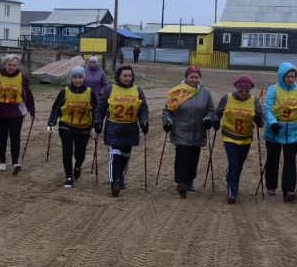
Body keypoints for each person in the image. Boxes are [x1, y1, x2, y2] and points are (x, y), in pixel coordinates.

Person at [93, 64, 149, 197]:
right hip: (113, 127)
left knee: (125, 156)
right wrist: (98, 122)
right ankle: (115, 181)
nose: (127, 78)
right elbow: (100, 108)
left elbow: (143, 109)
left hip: (130, 128)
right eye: (125, 75)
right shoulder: (110, 90)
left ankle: (121, 175)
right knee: (115, 155)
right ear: (119, 76)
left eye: (129, 75)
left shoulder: (138, 91)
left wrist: (144, 122)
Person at [161, 66, 216, 198]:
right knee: (181, 156)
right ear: (186, 77)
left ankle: (190, 179)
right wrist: (167, 121)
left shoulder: (205, 92)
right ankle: (182, 182)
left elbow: (211, 110)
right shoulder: (178, 91)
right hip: (181, 130)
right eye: (191, 77)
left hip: (198, 130)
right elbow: (167, 110)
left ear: (200, 78)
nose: (194, 80)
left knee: (193, 157)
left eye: (197, 77)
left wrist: (208, 119)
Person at [263, 62, 297, 201]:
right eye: (288, 76)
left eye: (293, 76)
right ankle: (271, 185)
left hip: (294, 130)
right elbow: (268, 108)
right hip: (275, 130)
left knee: (290, 160)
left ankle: (289, 190)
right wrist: (273, 123)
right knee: (273, 159)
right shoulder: (274, 89)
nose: (290, 79)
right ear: (281, 76)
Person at [214, 74, 264, 204]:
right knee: (233, 163)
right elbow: (217, 113)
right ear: (236, 88)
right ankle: (232, 189)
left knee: (239, 164)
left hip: (246, 139)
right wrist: (215, 121)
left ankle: (234, 183)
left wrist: (259, 119)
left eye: (246, 91)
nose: (243, 93)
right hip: (229, 137)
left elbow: (261, 122)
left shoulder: (254, 101)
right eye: (240, 90)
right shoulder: (227, 98)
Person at [0, 53, 36, 174]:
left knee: (15, 136)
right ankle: (2, 161)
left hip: (16, 112)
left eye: (14, 65)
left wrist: (32, 110)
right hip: (0, 111)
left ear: (17, 65)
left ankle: (15, 163)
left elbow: (28, 95)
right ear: (4, 64)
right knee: (2, 137)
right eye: (9, 65)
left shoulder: (22, 77)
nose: (11, 67)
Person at [48, 66, 98, 188]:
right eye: (74, 77)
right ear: (71, 79)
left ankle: (77, 166)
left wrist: (95, 126)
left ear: (83, 78)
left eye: (80, 77)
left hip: (83, 127)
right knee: (67, 151)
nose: (77, 80)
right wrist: (51, 122)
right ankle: (68, 177)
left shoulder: (90, 92)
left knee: (80, 153)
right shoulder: (64, 91)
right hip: (66, 126)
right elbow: (56, 108)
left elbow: (96, 111)